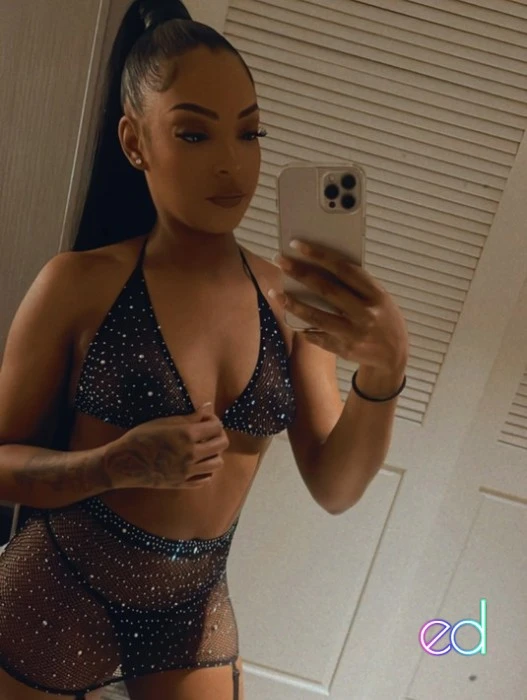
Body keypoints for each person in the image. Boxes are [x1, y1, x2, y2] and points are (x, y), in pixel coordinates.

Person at [0, 1, 299, 698]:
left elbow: (338, 474)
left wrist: (383, 368)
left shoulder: (288, 299)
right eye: (194, 134)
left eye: (249, 132)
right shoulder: (79, 283)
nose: (230, 164)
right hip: (62, 583)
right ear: (134, 144)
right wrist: (113, 463)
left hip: (192, 602)